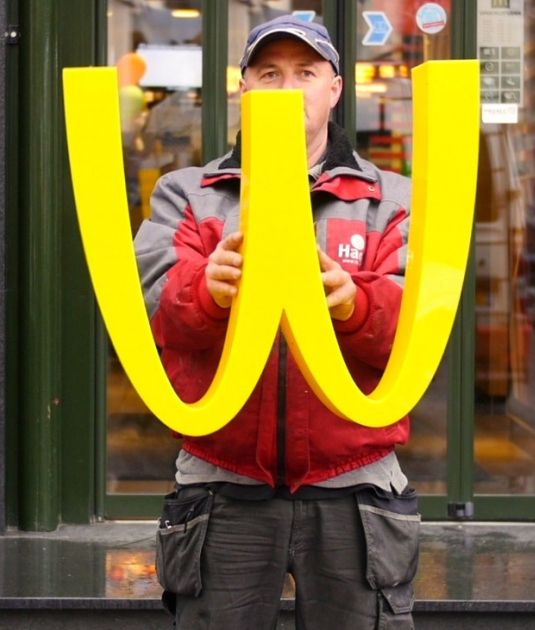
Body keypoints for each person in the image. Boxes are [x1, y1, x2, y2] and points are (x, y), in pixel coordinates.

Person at [134, 15, 420, 630]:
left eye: (304, 73)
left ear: (335, 88)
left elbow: (419, 327)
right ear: (244, 89)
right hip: (222, 483)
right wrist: (205, 292)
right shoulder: (187, 194)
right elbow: (151, 306)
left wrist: (354, 304)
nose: (287, 89)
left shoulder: (392, 200)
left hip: (355, 486)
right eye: (269, 74)